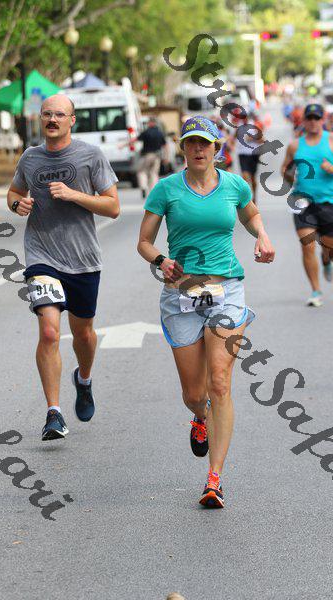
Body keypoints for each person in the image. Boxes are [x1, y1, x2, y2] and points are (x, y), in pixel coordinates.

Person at [137, 116, 274, 508]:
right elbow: (144, 241)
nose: (198, 149)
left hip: (226, 289)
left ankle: (214, 479)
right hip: (181, 294)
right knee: (195, 394)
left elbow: (250, 214)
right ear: (183, 148)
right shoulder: (166, 189)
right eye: (191, 143)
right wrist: (161, 260)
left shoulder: (234, 185)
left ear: (217, 148)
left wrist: (262, 235)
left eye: (205, 143)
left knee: (220, 381)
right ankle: (200, 416)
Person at [7, 94, 120, 440]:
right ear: (40, 119)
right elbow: (13, 192)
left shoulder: (91, 155)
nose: (52, 119)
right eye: (47, 114)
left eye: (59, 114)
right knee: (49, 332)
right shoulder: (30, 157)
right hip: (42, 254)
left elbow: (113, 206)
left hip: (83, 259)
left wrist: (74, 195)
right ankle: (53, 413)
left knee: (83, 334)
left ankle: (83, 379)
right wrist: (17, 204)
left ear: (72, 120)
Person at [281, 103, 333, 306]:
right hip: (302, 201)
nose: (312, 122)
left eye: (316, 118)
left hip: (329, 202)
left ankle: (326, 259)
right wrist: (288, 174)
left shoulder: (331, 140)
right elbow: (285, 171)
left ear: (323, 119)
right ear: (303, 120)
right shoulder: (295, 145)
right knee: (307, 245)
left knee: (329, 246)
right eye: (309, 118)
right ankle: (316, 291)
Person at [235, 112, 265, 204]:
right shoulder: (238, 126)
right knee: (245, 176)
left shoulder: (254, 126)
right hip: (242, 154)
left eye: (244, 117)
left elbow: (262, 140)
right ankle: (247, 198)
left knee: (252, 178)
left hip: (253, 154)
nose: (243, 119)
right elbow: (234, 137)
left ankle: (254, 196)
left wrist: (252, 138)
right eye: (241, 117)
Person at [137, 117, 167, 198]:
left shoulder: (146, 132)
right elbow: (165, 145)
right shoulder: (160, 133)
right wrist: (166, 157)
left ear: (150, 123)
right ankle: (153, 190)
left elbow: (136, 139)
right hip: (157, 156)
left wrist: (123, 145)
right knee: (154, 173)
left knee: (142, 171)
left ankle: (143, 187)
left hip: (147, 155)